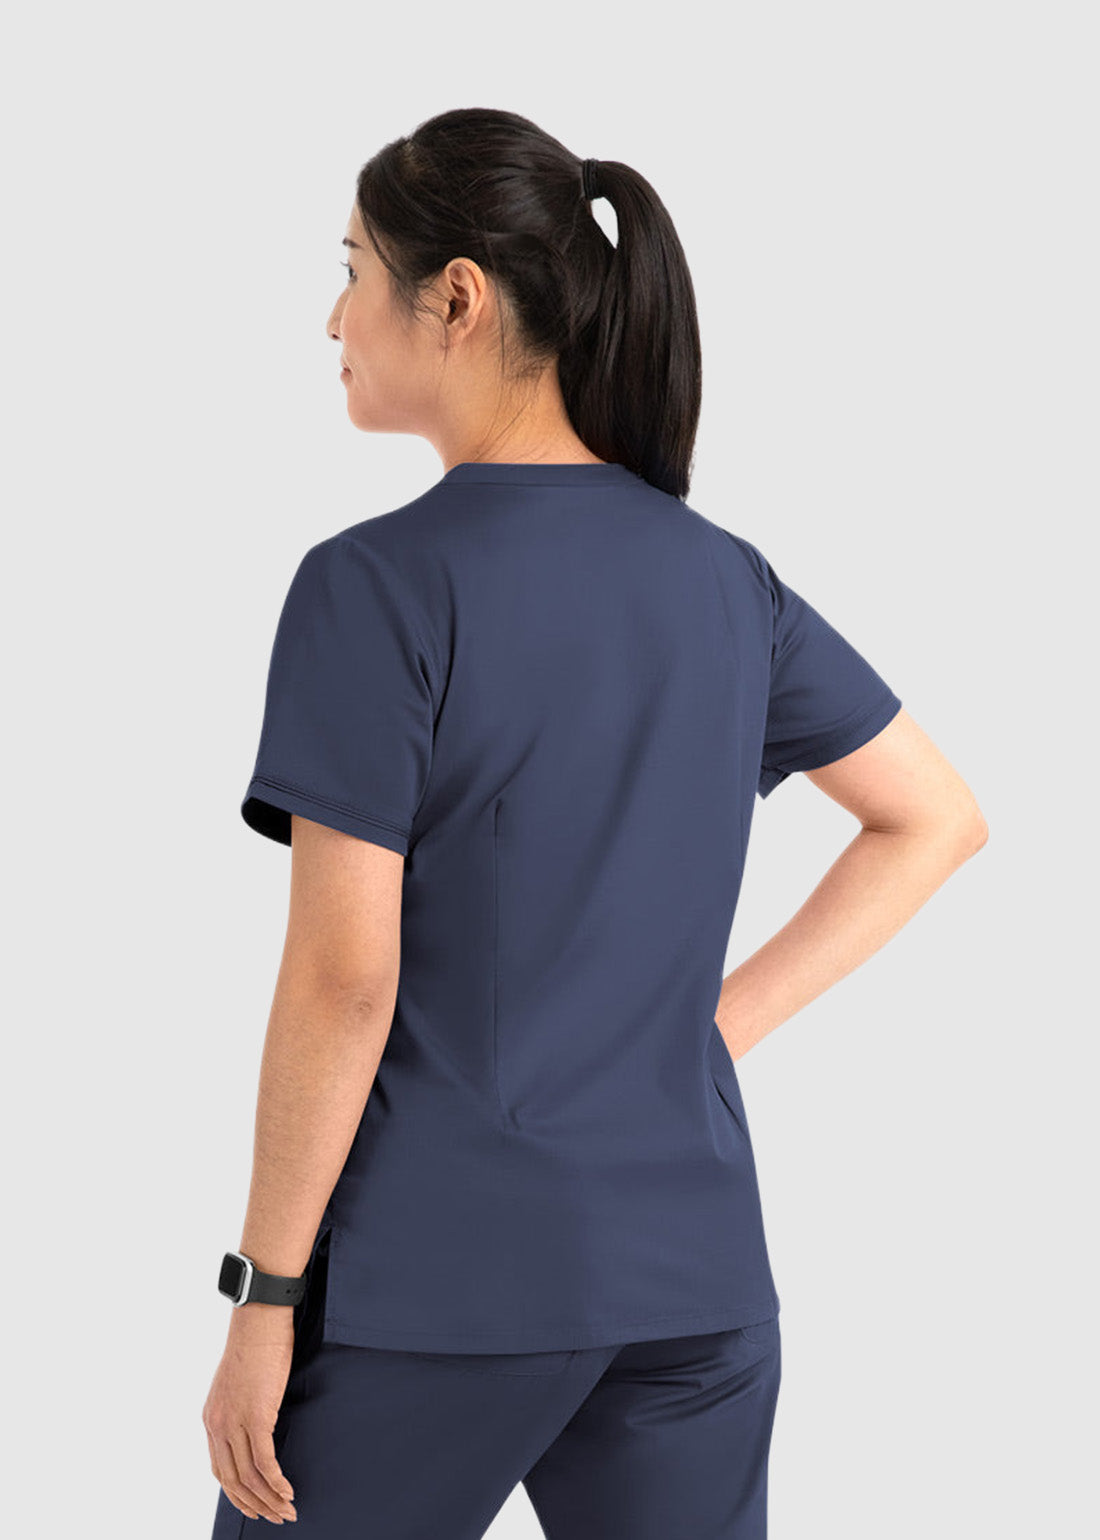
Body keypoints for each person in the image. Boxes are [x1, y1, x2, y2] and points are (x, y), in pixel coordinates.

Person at [202, 107, 987, 1539]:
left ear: (455, 298)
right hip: (694, 1288)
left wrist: (263, 1297)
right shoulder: (725, 579)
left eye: (354, 270)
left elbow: (343, 981)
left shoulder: (373, 588)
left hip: (441, 1285)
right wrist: (707, 1036)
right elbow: (933, 816)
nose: (334, 316)